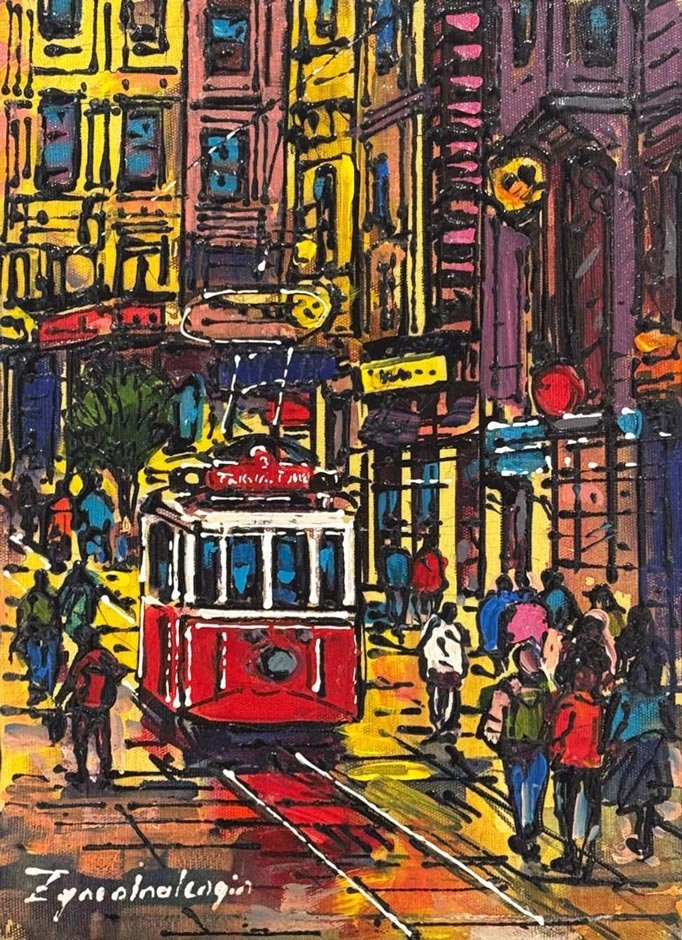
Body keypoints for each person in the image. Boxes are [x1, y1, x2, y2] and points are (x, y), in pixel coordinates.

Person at [480, 642, 551, 862]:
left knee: (534, 793)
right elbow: (495, 715)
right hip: (515, 750)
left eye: (534, 658)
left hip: (537, 748)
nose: (534, 662)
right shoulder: (508, 686)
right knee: (520, 795)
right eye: (529, 658)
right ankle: (526, 836)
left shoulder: (543, 685)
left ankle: (529, 835)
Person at [603, 656, 676, 861]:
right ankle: (636, 839)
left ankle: (644, 841)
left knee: (647, 797)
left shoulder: (659, 698)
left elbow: (670, 728)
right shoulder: (624, 695)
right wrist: (613, 741)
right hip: (629, 752)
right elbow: (614, 721)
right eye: (638, 674)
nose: (642, 679)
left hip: (651, 751)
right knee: (628, 796)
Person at [549, 663, 605, 877]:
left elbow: (558, 736)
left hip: (568, 764)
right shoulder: (598, 706)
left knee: (565, 809)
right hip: (591, 765)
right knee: (591, 811)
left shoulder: (567, 703)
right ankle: (588, 857)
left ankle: (570, 856)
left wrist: (554, 754)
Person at [55, 631, 127, 787]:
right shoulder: (106, 655)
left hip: (85, 707)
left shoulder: (84, 658)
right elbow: (119, 672)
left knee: (80, 741)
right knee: (103, 741)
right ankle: (105, 775)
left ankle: (82, 774)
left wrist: (60, 698)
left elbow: (72, 681)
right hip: (102, 708)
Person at [417, 602, 469, 741]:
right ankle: (439, 726)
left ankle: (448, 727)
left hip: (453, 672)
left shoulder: (456, 629)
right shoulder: (435, 625)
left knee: (452, 700)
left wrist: (462, 672)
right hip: (437, 670)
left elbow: (460, 652)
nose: (454, 615)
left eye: (455, 613)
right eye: (452, 612)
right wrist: (429, 669)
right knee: (437, 699)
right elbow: (426, 647)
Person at [10, 570, 62, 705]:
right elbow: (22, 618)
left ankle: (46, 690)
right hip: (37, 635)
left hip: (48, 635)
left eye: (42, 578)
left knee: (49, 661)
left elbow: (55, 618)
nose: (40, 581)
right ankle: (39, 688)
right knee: (37, 661)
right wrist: (29, 630)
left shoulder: (49, 597)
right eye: (38, 578)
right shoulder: (30, 598)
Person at [58, 560, 132, 650]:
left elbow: (99, 587)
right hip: (78, 619)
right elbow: (62, 602)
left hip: (81, 616)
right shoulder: (72, 585)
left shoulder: (86, 584)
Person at [476, 575, 521, 674]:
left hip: (489, 638)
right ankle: (501, 660)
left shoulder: (492, 601)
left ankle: (500, 662)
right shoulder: (501, 603)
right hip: (495, 638)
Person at [75, 473, 115, 564]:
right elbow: (111, 509)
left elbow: (81, 507)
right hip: (103, 525)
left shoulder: (91, 496)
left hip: (95, 527)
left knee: (82, 537)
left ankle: (84, 560)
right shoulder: (103, 496)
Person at [380, 534, 412, 637]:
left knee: (392, 600)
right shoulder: (404, 555)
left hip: (392, 583)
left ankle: (394, 619)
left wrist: (387, 582)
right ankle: (401, 620)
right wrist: (406, 582)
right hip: (403, 584)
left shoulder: (388, 557)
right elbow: (407, 571)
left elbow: (386, 571)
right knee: (403, 603)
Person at [411, 536, 448, 622]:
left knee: (425, 598)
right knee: (440, 593)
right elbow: (444, 564)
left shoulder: (420, 555)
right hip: (432, 585)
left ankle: (426, 615)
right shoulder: (436, 556)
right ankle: (434, 612)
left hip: (421, 585)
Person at [539, 569, 581, 633]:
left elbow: (565, 614)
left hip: (559, 629)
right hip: (558, 628)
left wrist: (557, 630)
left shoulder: (556, 594)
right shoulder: (558, 592)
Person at [45, 481, 73, 573]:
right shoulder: (57, 557)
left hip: (65, 520)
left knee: (63, 499)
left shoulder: (64, 556)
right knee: (61, 499)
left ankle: (62, 486)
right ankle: (62, 487)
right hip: (61, 522)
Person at [17, 472, 38, 545]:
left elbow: (35, 497)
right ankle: (29, 540)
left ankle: (28, 539)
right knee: (28, 520)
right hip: (28, 508)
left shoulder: (27, 488)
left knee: (28, 520)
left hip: (28, 508)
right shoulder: (27, 488)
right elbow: (20, 499)